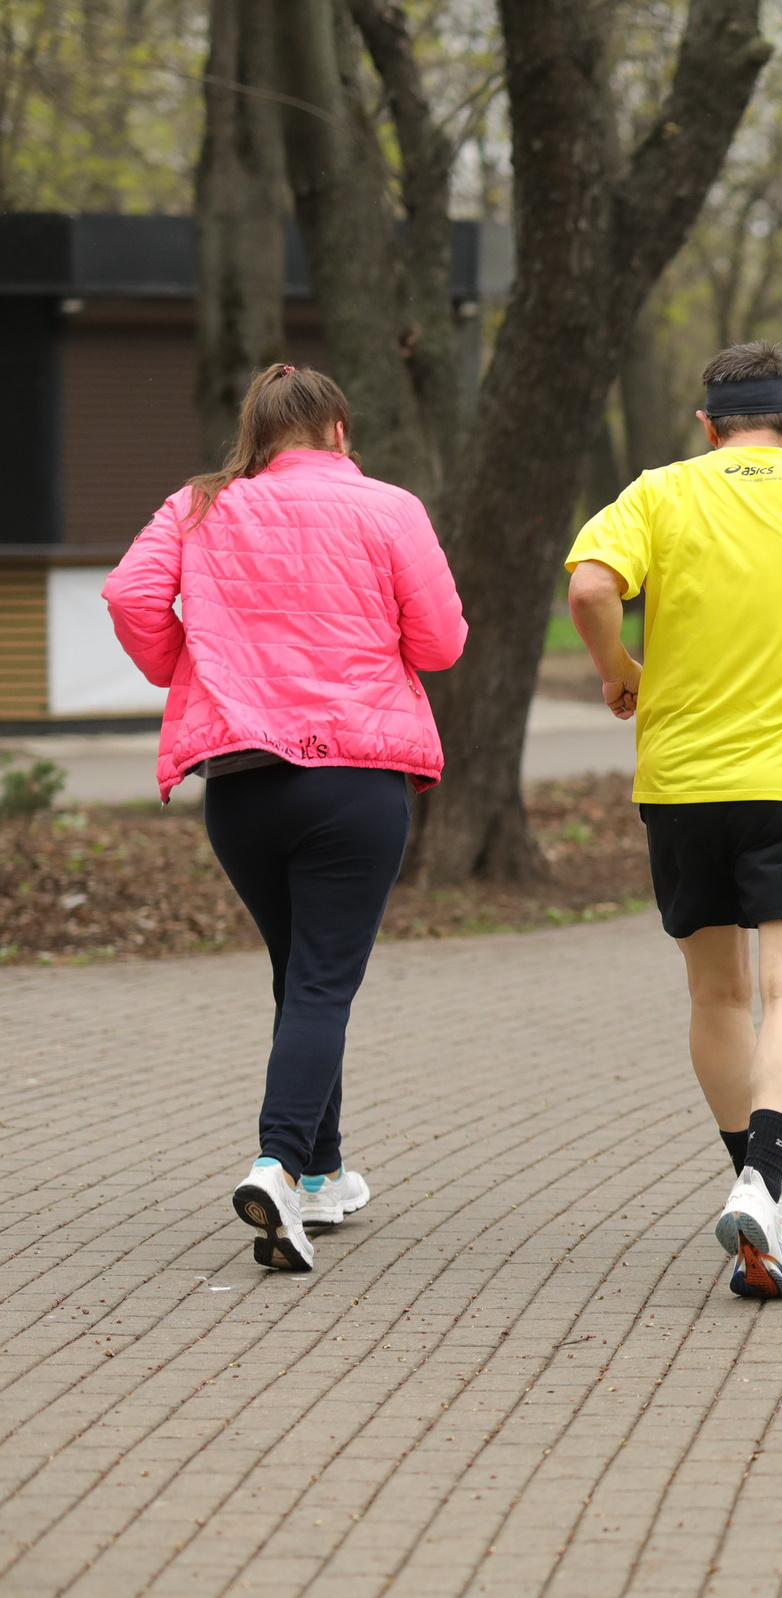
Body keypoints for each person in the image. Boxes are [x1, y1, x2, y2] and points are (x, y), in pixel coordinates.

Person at [105, 364, 467, 1274]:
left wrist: (189, 665)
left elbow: (129, 595)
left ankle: (324, 1170)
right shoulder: (391, 508)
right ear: (339, 432)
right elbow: (442, 643)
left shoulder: (197, 504)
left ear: (257, 436)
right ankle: (276, 1163)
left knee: (302, 975)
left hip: (242, 781)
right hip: (355, 780)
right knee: (321, 984)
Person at [563, 341, 782, 1302]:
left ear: (706, 426)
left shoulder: (660, 492)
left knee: (718, 997)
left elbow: (590, 586)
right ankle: (765, 1177)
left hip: (683, 784)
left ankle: (763, 1190)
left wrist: (618, 670)